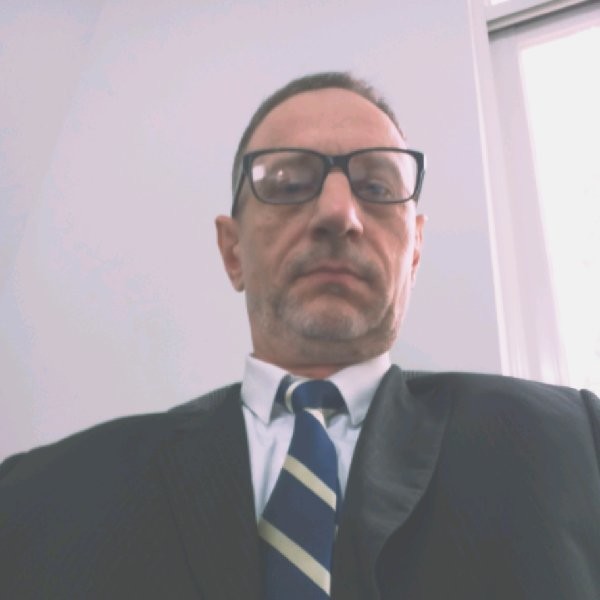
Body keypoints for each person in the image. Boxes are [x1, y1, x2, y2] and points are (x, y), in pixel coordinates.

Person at [1, 72, 599, 600]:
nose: (338, 214)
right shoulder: (37, 499)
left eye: (376, 187)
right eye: (288, 184)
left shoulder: (577, 445)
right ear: (232, 251)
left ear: (414, 251)